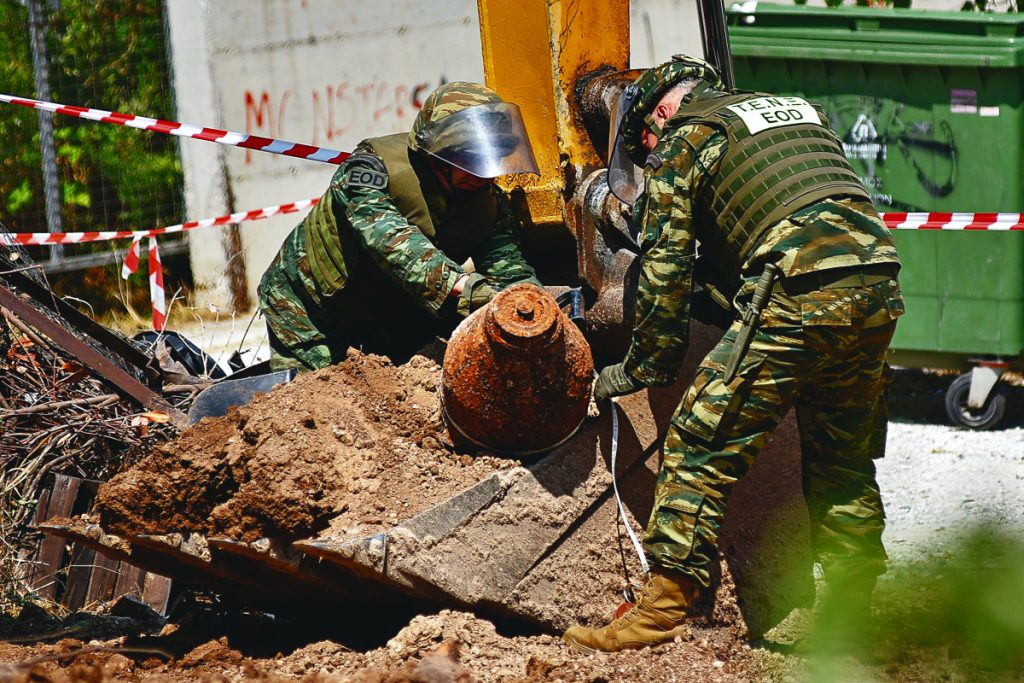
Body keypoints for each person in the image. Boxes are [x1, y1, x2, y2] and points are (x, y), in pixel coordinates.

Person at [563, 55, 904, 653]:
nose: (650, 149)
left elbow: (665, 277)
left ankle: (661, 613)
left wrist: (632, 371)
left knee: (701, 438)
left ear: (662, 111)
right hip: (878, 282)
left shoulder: (686, 136)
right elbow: (778, 207)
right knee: (841, 452)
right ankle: (856, 615)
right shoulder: (795, 112)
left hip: (798, 287)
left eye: (645, 138)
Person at [258, 82, 542, 371]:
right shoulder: (370, 169)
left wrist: (536, 306)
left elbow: (509, 269)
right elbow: (392, 241)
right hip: (311, 314)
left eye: (494, 157)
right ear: (438, 154)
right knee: (317, 404)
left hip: (389, 314)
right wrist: (465, 286)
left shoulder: (489, 202)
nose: (485, 172)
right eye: (472, 158)